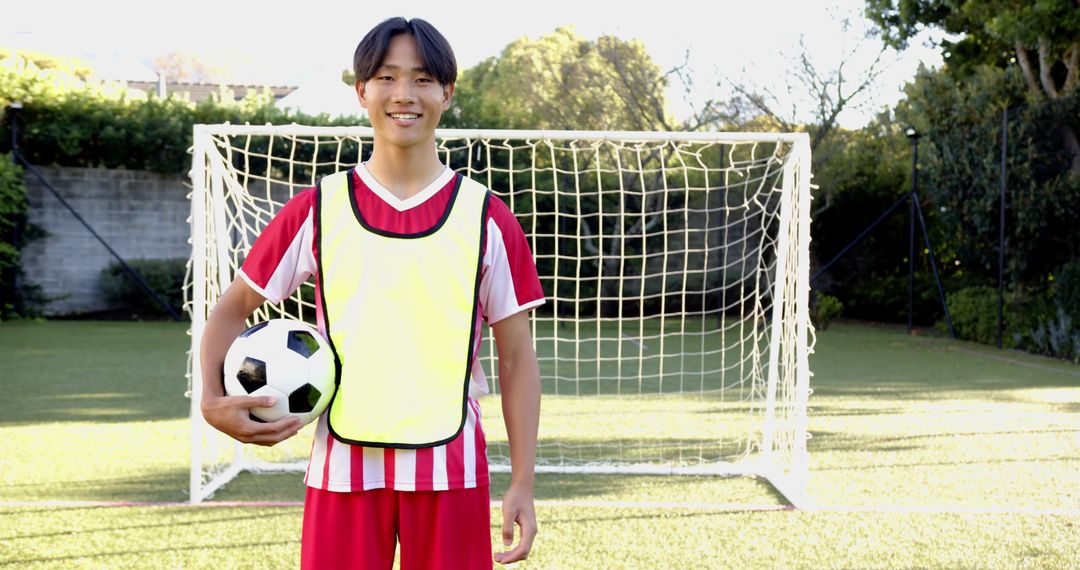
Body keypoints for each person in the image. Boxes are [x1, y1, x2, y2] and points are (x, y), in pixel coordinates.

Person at [199, 17, 543, 569]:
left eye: (423, 78)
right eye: (387, 77)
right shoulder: (317, 210)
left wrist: (522, 481)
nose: (404, 94)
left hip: (451, 470)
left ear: (447, 93)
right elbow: (231, 310)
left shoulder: (486, 217)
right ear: (361, 91)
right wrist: (213, 403)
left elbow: (518, 357)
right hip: (342, 471)